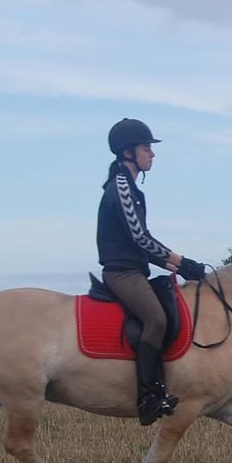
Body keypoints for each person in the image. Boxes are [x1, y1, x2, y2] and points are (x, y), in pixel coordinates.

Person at [97, 118, 207, 426]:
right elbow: (141, 239)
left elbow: (142, 248)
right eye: (146, 148)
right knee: (156, 319)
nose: (152, 154)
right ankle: (147, 397)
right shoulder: (121, 188)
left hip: (134, 269)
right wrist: (183, 261)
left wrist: (180, 269)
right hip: (122, 273)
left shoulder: (130, 187)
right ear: (128, 152)